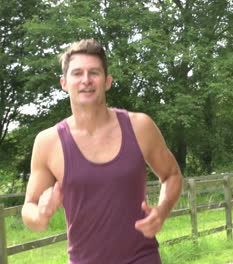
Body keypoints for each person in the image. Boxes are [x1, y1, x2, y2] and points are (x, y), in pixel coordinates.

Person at [21, 39, 183, 264]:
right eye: (77, 73)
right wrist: (40, 216)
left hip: (141, 258)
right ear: (64, 83)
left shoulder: (140, 126)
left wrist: (162, 211)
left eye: (94, 73)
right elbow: (29, 206)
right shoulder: (48, 142)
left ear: (107, 81)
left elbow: (172, 175)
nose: (85, 80)